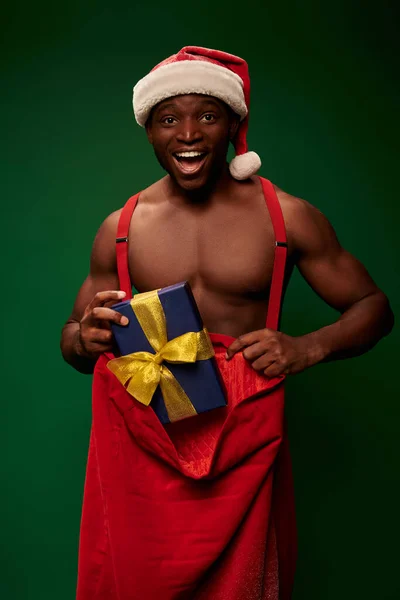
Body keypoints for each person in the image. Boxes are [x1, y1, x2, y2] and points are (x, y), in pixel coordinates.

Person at [61, 46, 394, 600]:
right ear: (149, 131)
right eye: (169, 119)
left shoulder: (285, 216)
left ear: (234, 125)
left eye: (207, 116)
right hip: (147, 439)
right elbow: (73, 339)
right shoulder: (120, 227)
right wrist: (83, 338)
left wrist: (307, 348)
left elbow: (373, 307)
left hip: (246, 430)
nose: (188, 134)